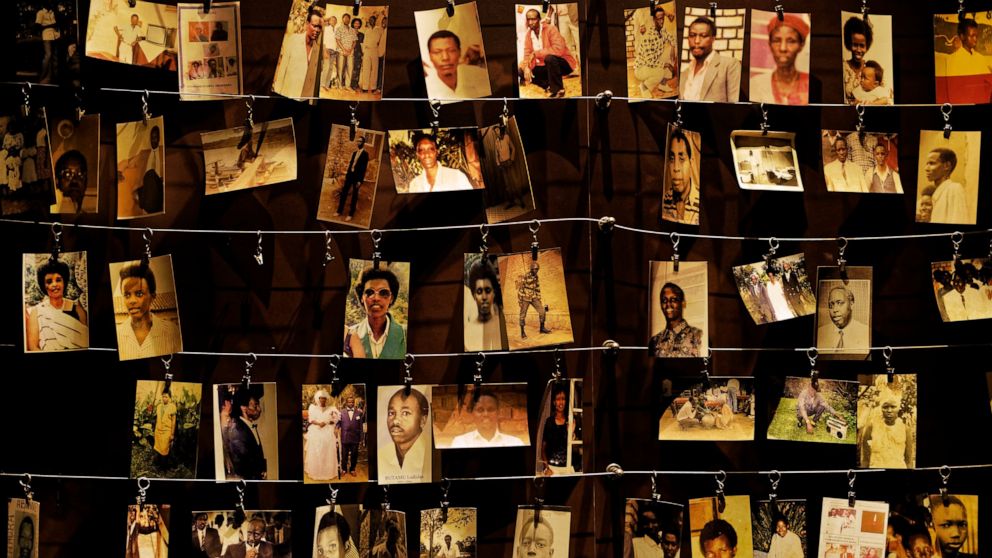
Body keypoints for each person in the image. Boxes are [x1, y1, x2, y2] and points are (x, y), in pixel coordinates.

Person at [115, 261, 181, 359]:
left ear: (152, 297)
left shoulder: (171, 333)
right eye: (127, 295)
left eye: (139, 294)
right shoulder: (118, 335)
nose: (132, 301)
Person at [25, 257, 88, 352]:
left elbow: (85, 343)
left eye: (58, 280)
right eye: (49, 281)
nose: (54, 284)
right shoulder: (37, 312)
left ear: (64, 282)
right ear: (44, 286)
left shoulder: (76, 309)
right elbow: (33, 347)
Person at [344, 266, 407, 359]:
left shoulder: (405, 334)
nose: (376, 298)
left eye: (383, 293)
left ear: (391, 298)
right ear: (362, 298)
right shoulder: (348, 336)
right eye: (369, 292)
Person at [751, 14, 809, 105]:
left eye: (791, 41)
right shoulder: (756, 84)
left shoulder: (811, 84)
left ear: (801, 45)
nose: (783, 48)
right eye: (777, 40)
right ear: (770, 44)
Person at [518, 8, 578, 98]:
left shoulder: (551, 29)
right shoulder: (528, 35)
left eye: (533, 19)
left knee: (549, 58)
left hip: (563, 63)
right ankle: (548, 85)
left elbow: (558, 49)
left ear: (539, 19)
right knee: (520, 70)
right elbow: (527, 54)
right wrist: (527, 67)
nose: (530, 22)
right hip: (545, 65)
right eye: (528, 19)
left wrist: (536, 53)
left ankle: (559, 89)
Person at [679, 16, 741, 101]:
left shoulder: (729, 66)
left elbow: (736, 108)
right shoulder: (683, 74)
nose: (696, 41)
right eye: (692, 35)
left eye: (703, 36)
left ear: (713, 39)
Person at [379, 387, 430, 482]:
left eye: (405, 413)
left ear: (423, 420)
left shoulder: (431, 456)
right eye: (391, 413)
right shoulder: (381, 456)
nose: (395, 421)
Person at [272, 7, 323, 98]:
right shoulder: (293, 40)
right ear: (307, 24)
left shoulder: (318, 50)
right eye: (314, 26)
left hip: (305, 99)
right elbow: (283, 68)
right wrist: (277, 93)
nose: (317, 30)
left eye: (319, 27)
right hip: (288, 95)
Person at [423, 30, 491, 99]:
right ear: (430, 56)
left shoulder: (481, 75)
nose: (445, 57)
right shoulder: (426, 88)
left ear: (459, 52)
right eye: (437, 52)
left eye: (451, 50)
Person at [942, 18, 992, 104]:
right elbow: (953, 95)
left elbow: (989, 82)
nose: (975, 39)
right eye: (972, 36)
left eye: (976, 35)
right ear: (962, 36)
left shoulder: (980, 58)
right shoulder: (952, 60)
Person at [450, 391, 525, 447]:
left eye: (491, 409)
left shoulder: (515, 443)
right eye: (480, 410)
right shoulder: (460, 443)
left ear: (498, 413)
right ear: (473, 414)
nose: (486, 414)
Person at [632, 6, 677, 98]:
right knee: (660, 71)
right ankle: (644, 87)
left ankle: (663, 84)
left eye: (663, 18)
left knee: (669, 52)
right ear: (654, 20)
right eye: (659, 19)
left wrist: (672, 47)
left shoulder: (662, 31)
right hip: (642, 68)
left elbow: (672, 39)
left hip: (651, 65)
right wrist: (667, 65)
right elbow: (650, 61)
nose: (661, 21)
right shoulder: (649, 36)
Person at [649, 282, 703, 358]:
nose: (668, 304)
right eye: (664, 301)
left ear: (683, 303)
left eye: (673, 300)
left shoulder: (698, 336)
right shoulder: (654, 341)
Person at [861, 390, 913, 468]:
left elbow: (909, 460)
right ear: (881, 408)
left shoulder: (905, 428)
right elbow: (865, 458)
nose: (889, 411)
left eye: (893, 407)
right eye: (885, 407)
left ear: (898, 408)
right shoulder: (872, 426)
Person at [406, 134, 474, 193]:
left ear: (437, 152)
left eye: (430, 149)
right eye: (421, 150)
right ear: (417, 155)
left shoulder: (456, 176)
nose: (427, 154)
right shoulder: (414, 185)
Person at [464, 261, 507, 351]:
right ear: (473, 295)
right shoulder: (467, 330)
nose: (484, 297)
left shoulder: (504, 324)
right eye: (479, 291)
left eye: (487, 290)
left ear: (494, 292)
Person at [226, 389, 268, 480]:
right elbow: (241, 465)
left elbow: (255, 453)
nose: (259, 409)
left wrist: (263, 469)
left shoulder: (248, 425)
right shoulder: (237, 430)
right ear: (243, 408)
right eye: (255, 405)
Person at [661, 129, 699, 225]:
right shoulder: (665, 200)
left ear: (691, 163)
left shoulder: (699, 201)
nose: (676, 168)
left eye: (682, 159)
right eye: (672, 159)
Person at [817, 285, 870, 352]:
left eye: (840, 303)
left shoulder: (866, 333)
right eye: (831, 305)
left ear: (851, 304)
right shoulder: (820, 333)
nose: (835, 310)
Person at [923, 148, 968, 224]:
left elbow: (959, 221)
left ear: (947, 166)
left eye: (932, 163)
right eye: (927, 164)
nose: (926, 168)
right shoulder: (936, 194)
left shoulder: (954, 189)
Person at [305, 389, 341, 481]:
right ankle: (317, 471)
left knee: (327, 451)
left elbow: (336, 419)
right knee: (317, 451)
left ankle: (327, 472)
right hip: (316, 431)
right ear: (318, 399)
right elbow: (311, 419)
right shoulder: (313, 407)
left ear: (326, 399)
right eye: (321, 398)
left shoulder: (331, 409)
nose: (322, 400)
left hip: (327, 432)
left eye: (324, 398)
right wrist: (319, 423)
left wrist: (328, 421)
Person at [334, 135, 370, 220]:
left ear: (363, 143)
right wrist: (347, 175)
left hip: (357, 178)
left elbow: (363, 168)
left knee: (354, 195)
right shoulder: (354, 153)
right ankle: (339, 211)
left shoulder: (365, 154)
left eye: (360, 141)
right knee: (344, 193)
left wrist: (360, 181)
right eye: (357, 141)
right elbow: (351, 164)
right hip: (350, 175)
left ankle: (350, 214)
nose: (358, 143)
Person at [517, 259, 552, 339]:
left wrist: (539, 298)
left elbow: (537, 287)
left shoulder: (536, 277)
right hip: (525, 297)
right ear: (531, 269)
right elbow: (521, 288)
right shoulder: (526, 276)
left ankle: (542, 328)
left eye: (537, 269)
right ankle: (522, 332)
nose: (536, 271)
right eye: (535, 269)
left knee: (542, 311)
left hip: (533, 297)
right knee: (522, 315)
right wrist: (520, 300)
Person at [842, 16, 873, 104]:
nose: (858, 50)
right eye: (855, 45)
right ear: (849, 44)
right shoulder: (843, 68)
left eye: (862, 46)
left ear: (867, 46)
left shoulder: (872, 69)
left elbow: (885, 96)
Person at [134, 125, 164, 216]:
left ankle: (144, 205)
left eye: (155, 138)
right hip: (146, 184)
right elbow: (129, 162)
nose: (153, 140)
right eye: (152, 138)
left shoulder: (163, 151)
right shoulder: (144, 153)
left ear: (159, 139)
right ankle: (148, 206)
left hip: (159, 183)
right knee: (148, 176)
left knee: (151, 173)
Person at [540, 384, 569, 475]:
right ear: (554, 402)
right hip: (552, 468)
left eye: (563, 399)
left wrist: (570, 432)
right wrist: (546, 468)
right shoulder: (549, 422)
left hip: (568, 468)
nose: (561, 403)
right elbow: (543, 449)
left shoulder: (570, 420)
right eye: (558, 399)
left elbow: (576, 446)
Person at [337, 395, 365, 477]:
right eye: (349, 402)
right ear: (346, 402)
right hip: (345, 437)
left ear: (354, 403)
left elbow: (361, 426)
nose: (351, 403)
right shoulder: (341, 412)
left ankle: (352, 469)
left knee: (354, 454)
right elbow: (338, 424)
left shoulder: (359, 412)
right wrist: (335, 428)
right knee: (344, 454)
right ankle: (344, 469)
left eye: (352, 402)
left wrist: (361, 438)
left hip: (355, 437)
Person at [359, 16, 383, 94]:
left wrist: (380, 51)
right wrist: (364, 51)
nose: (371, 21)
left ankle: (373, 87)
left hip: (375, 50)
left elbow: (381, 41)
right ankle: (365, 88)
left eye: (372, 20)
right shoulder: (367, 30)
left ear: (375, 21)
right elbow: (364, 41)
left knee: (374, 69)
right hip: (367, 50)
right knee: (366, 69)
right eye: (370, 20)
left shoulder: (379, 29)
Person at [152, 390, 177, 469]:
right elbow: (157, 419)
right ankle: (159, 464)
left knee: (164, 449)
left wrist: (172, 434)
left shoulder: (172, 407)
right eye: (163, 396)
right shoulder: (159, 406)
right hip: (158, 430)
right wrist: (155, 430)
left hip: (167, 431)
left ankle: (165, 467)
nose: (164, 398)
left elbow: (173, 422)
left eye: (166, 397)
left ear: (169, 398)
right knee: (159, 448)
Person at [36, 4, 59, 83]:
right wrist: (50, 25)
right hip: (46, 36)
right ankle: (42, 76)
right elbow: (38, 26)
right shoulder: (40, 13)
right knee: (48, 55)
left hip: (55, 35)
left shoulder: (52, 12)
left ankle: (52, 77)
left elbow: (57, 23)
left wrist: (49, 26)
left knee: (54, 57)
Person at [335, 14, 357, 91]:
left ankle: (348, 86)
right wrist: (344, 49)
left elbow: (354, 41)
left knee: (350, 68)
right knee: (340, 68)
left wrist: (350, 49)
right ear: (342, 19)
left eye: (348, 18)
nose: (347, 19)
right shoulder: (339, 28)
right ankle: (340, 85)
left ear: (349, 20)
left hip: (350, 52)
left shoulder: (352, 30)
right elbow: (337, 40)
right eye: (345, 18)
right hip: (341, 51)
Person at [321, 15, 339, 88]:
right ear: (329, 21)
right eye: (332, 20)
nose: (333, 21)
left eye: (335, 20)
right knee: (326, 67)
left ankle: (327, 85)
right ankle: (322, 85)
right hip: (327, 50)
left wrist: (337, 51)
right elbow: (324, 40)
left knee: (331, 68)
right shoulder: (326, 29)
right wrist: (325, 50)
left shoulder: (336, 30)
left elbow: (336, 41)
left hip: (334, 51)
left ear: (336, 22)